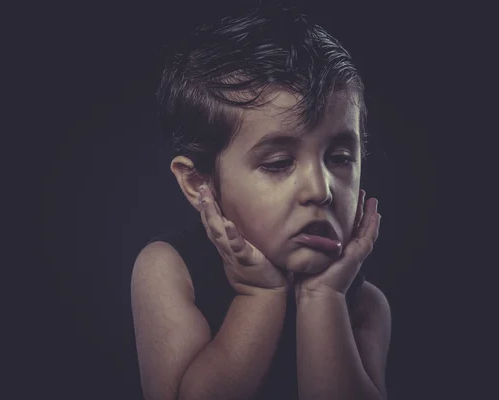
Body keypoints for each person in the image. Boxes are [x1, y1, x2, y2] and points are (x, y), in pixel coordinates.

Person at [131, 4, 391, 399]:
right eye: (279, 163)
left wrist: (324, 297)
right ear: (200, 182)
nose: (320, 190)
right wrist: (261, 295)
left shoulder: (365, 305)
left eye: (339, 158)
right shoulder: (168, 269)